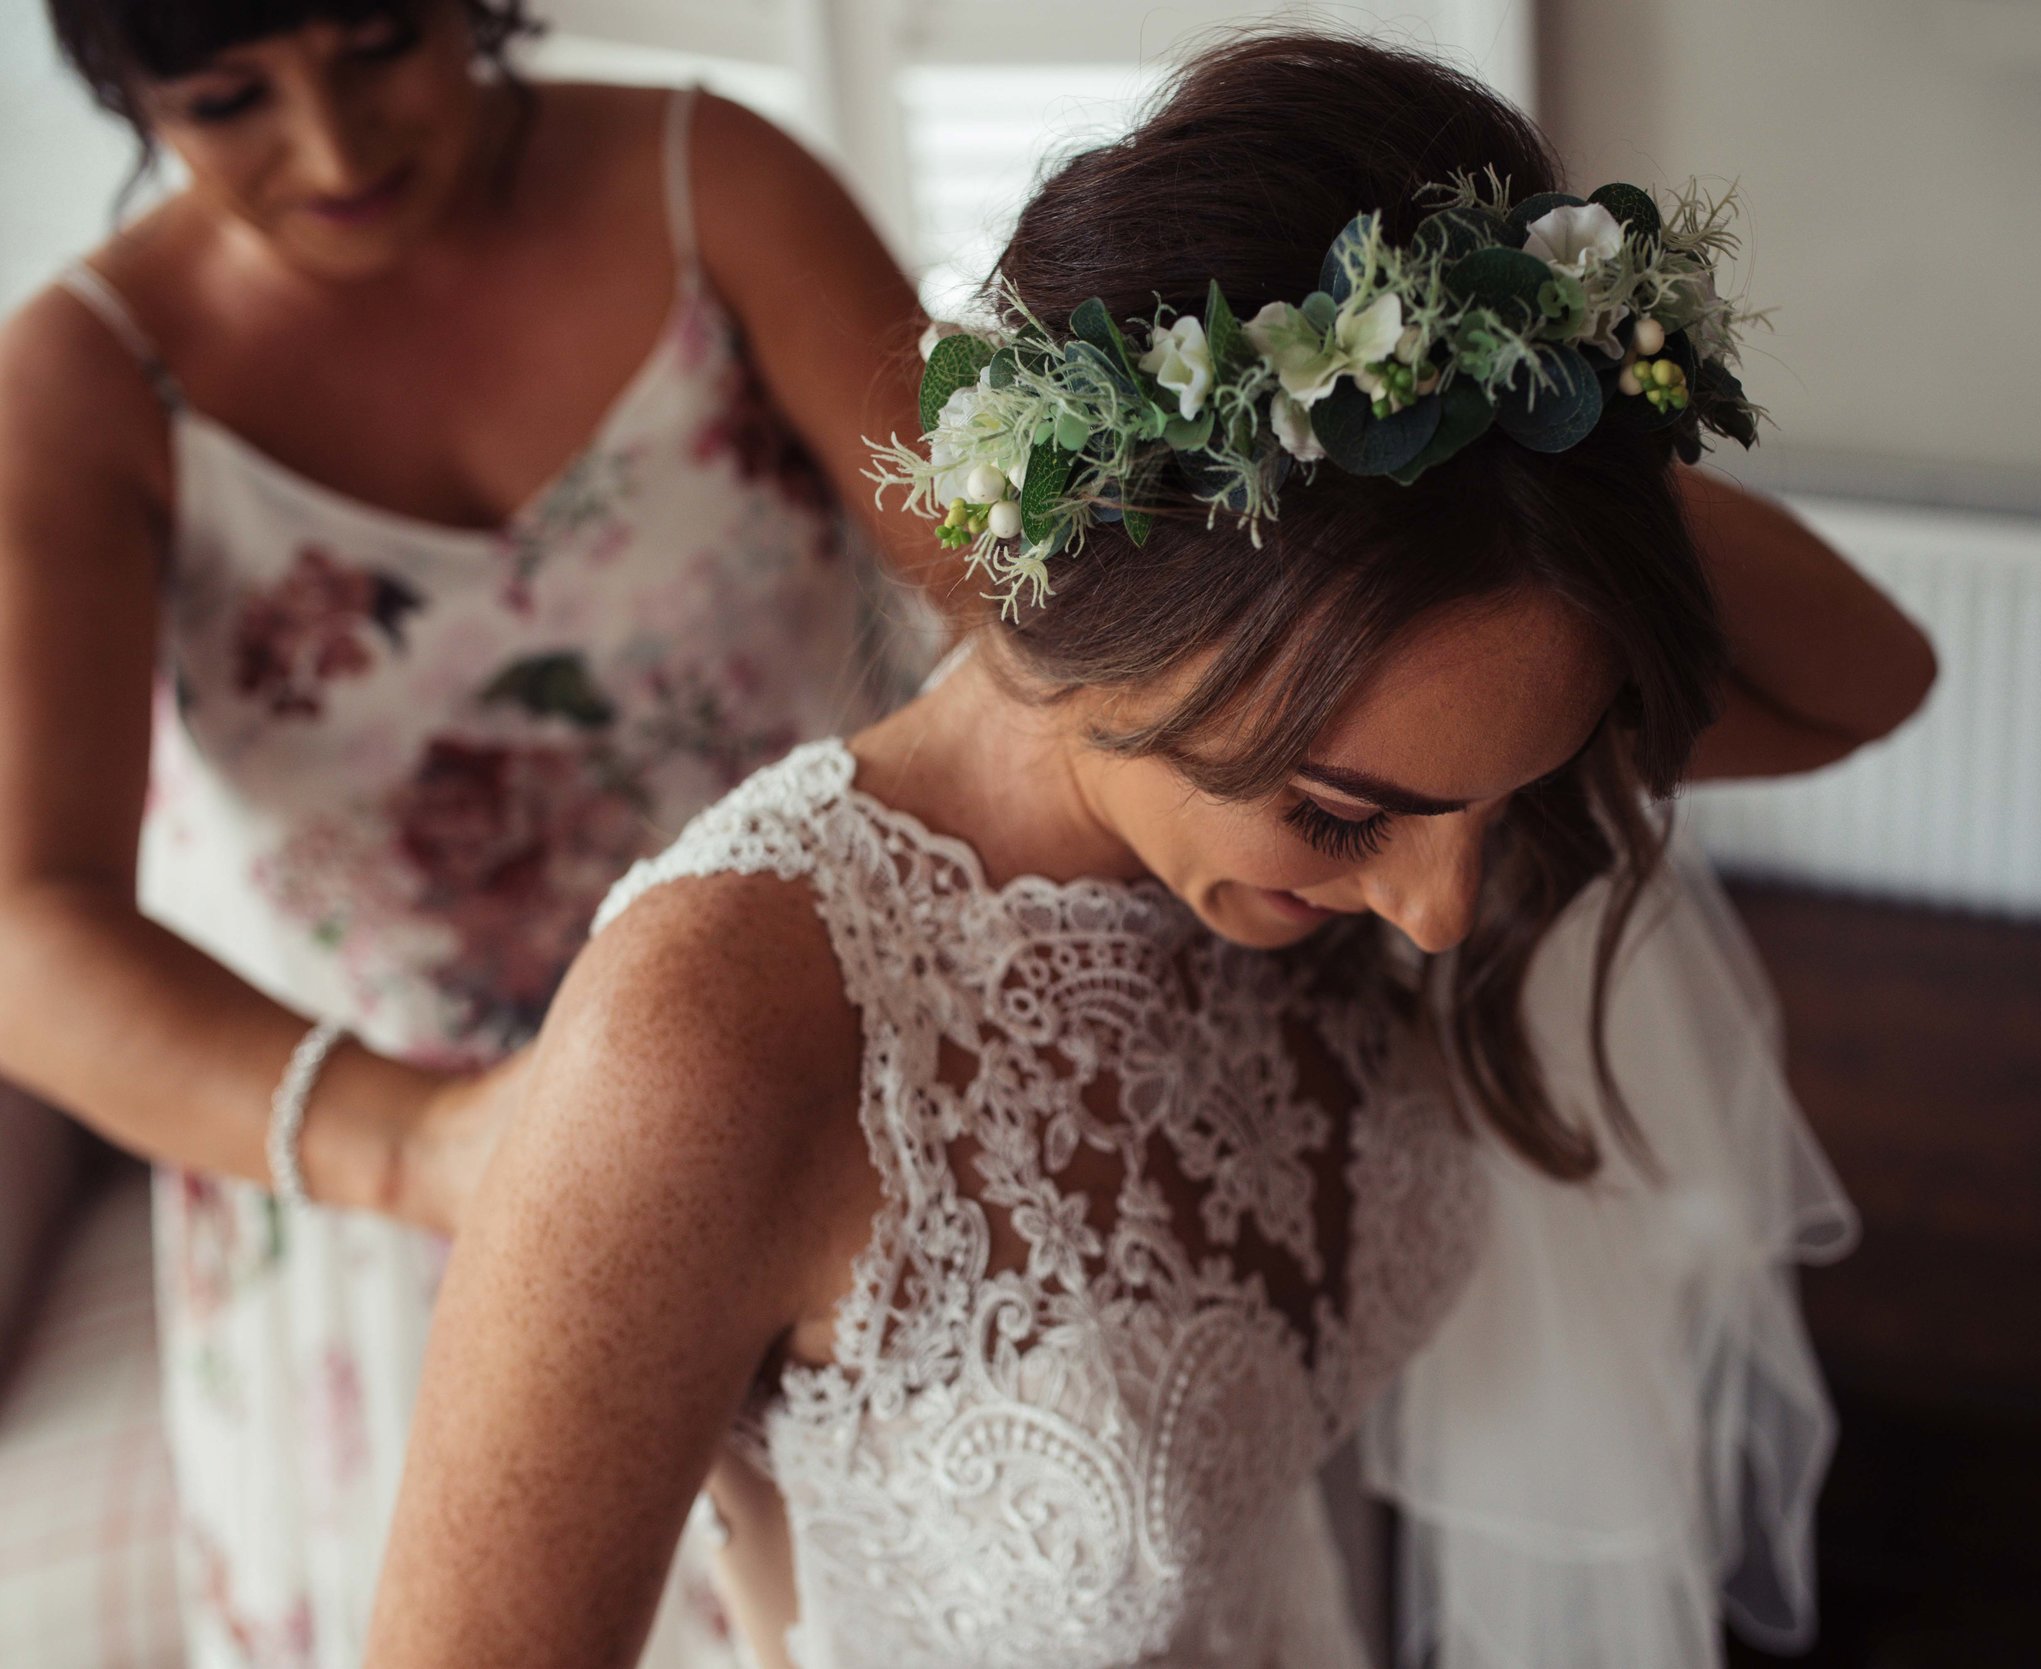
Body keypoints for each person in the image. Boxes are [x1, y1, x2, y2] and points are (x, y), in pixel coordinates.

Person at [364, 33, 1934, 1669]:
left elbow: (1870, 682)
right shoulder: (717, 1028)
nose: (1442, 911)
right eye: (1344, 815)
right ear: (1109, 609)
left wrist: (1553, 431)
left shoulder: (1400, 734)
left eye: (1514, 797)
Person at [0, 2, 940, 1663]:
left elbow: (1027, 601)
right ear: (123, 95)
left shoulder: (712, 184)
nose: (338, 150)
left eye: (379, 46)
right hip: (382, 1200)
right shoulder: (78, 386)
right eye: (227, 101)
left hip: (815, 1112)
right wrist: (429, 1149)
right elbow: (27, 925)